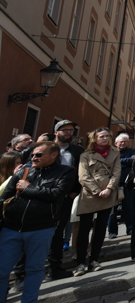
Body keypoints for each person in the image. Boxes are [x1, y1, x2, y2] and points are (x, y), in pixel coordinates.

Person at [0, 140, 77, 303]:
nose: (33, 157)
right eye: (33, 154)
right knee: (1, 271)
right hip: (11, 228)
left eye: (38, 155)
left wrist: (28, 188)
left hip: (41, 229)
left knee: (34, 269)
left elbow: (56, 195)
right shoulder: (23, 171)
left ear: (53, 155)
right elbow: (5, 197)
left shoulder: (66, 172)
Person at [74, 128, 121, 277]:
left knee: (100, 229)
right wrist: (96, 190)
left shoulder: (115, 154)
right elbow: (83, 176)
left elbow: (116, 173)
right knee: (84, 229)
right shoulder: (86, 155)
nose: (105, 138)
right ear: (94, 138)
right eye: (102, 136)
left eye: (107, 136)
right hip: (90, 195)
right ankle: (80, 262)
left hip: (107, 195)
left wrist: (109, 189)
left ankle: (94, 259)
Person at [44, 120, 82, 280]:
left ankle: (55, 268)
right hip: (43, 196)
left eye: (71, 130)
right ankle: (23, 274)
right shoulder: (44, 149)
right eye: (65, 130)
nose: (68, 133)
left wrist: (75, 191)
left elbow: (81, 172)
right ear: (56, 131)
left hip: (65, 197)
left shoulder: (77, 151)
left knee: (58, 234)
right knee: (38, 233)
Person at [108, 133, 135, 239]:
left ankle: (130, 228)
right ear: (115, 143)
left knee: (129, 207)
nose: (123, 143)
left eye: (125, 141)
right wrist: (126, 160)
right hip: (113, 184)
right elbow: (110, 163)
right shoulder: (112, 152)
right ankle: (112, 231)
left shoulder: (132, 151)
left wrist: (119, 161)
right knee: (112, 210)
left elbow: (134, 160)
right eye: (121, 142)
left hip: (127, 183)